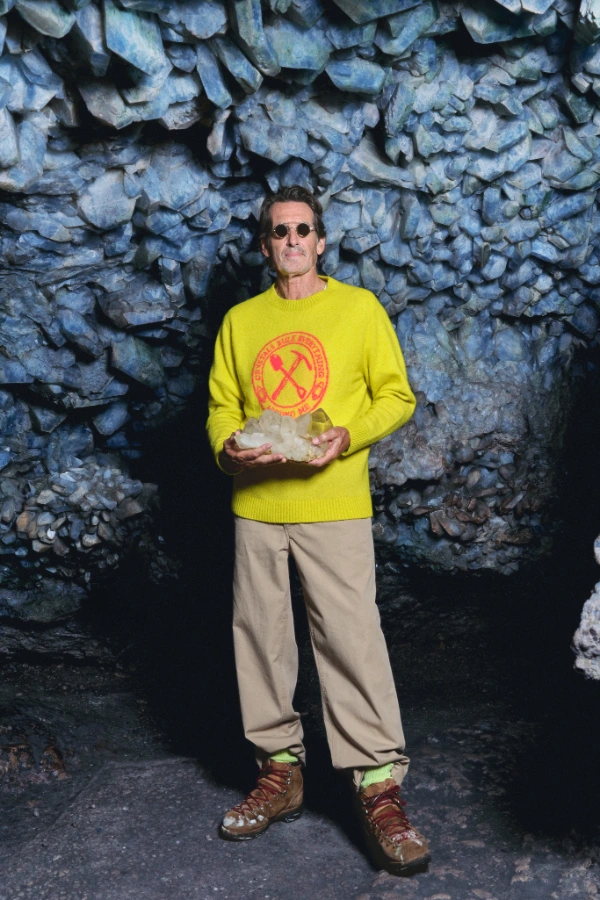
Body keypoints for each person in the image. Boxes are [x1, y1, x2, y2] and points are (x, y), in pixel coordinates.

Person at [206, 184, 429, 872]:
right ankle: (280, 771)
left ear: (321, 241)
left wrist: (348, 436)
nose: (292, 240)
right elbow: (222, 407)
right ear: (265, 245)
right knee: (260, 639)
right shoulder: (241, 321)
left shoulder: (358, 309)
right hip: (258, 508)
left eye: (303, 229)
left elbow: (396, 395)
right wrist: (228, 450)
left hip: (334, 504)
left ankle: (377, 784)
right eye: (280, 231)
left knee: (351, 640)